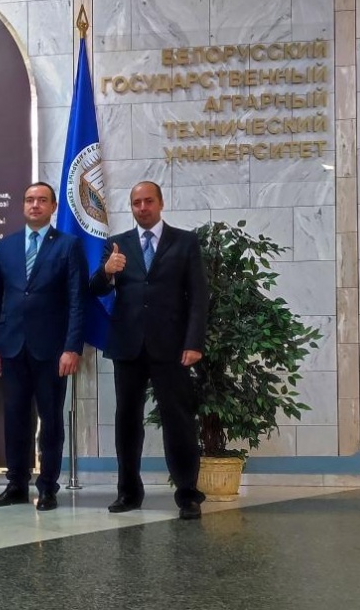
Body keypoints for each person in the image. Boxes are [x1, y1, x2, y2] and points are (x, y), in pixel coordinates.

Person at [89, 181, 208, 520]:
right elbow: (95, 289)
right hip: (128, 346)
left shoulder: (184, 242)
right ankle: (128, 492)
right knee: (127, 422)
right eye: (136, 203)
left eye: (148, 201)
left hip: (172, 348)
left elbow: (198, 296)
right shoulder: (117, 244)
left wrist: (193, 342)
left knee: (178, 420)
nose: (142, 207)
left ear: (160, 203)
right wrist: (106, 272)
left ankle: (188, 495)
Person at [0, 182, 87, 512]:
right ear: (23, 206)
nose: (35, 205)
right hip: (12, 347)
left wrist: (72, 347)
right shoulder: (5, 247)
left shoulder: (68, 245)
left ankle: (48, 487)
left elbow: (77, 300)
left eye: (42, 200)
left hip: (52, 350)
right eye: (29, 200)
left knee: (51, 421)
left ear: (53, 207)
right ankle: (16, 484)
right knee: (15, 419)